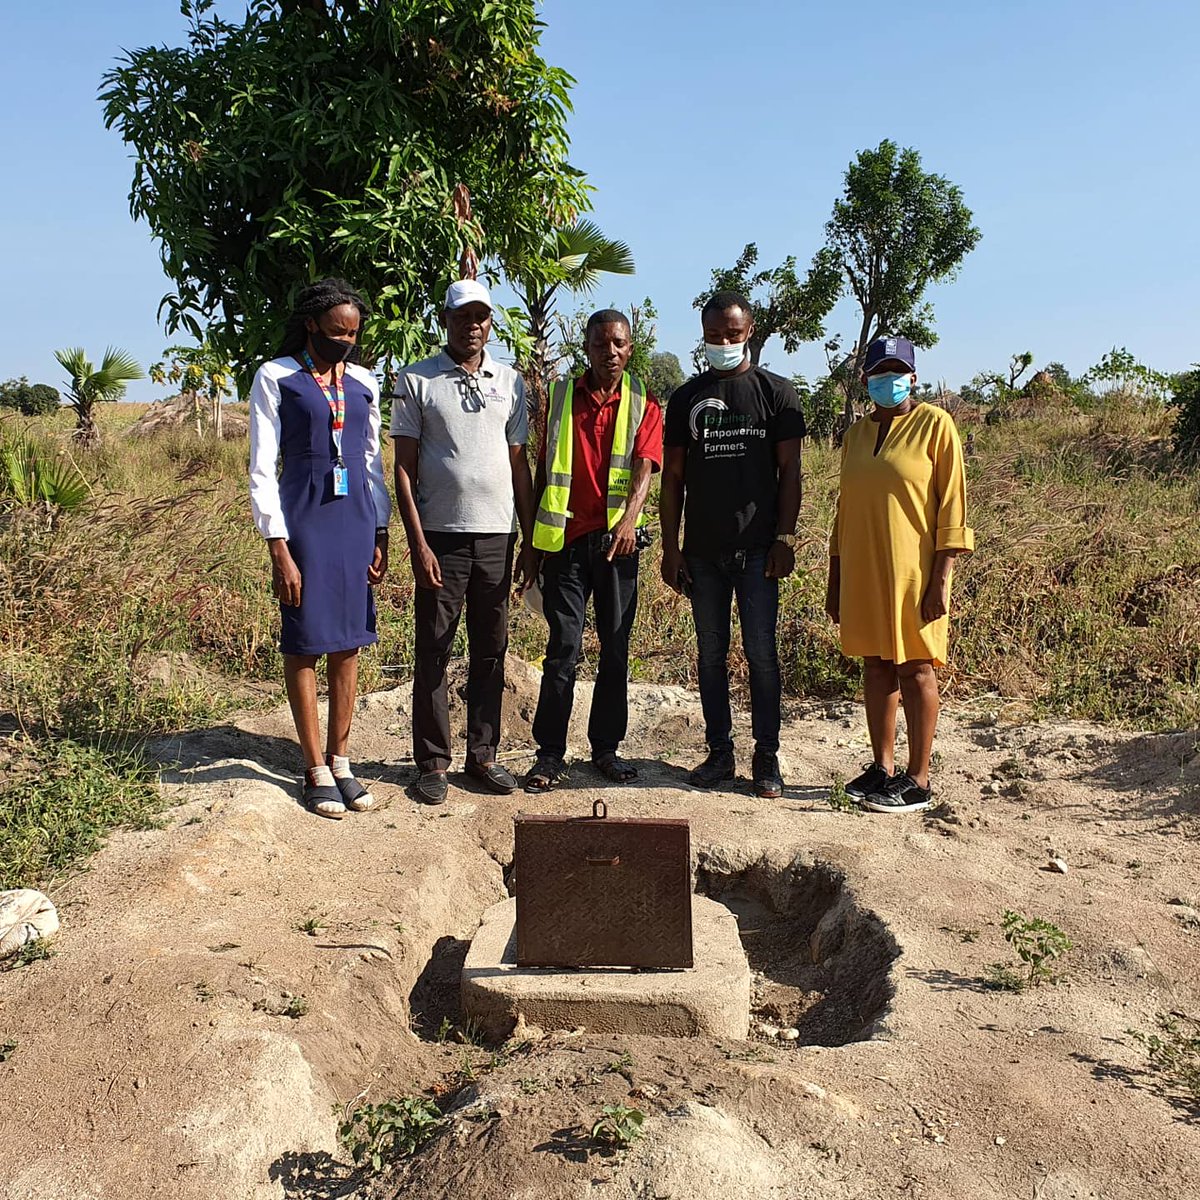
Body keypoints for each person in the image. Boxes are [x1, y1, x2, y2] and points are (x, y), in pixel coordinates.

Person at [249, 278, 391, 820]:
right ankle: (313, 766)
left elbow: (373, 462)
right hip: (304, 520)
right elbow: (262, 469)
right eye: (336, 332)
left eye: (354, 334)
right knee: (306, 639)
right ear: (311, 325)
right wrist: (277, 547)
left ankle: (343, 759)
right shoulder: (277, 377)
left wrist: (381, 530)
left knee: (349, 639)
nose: (346, 343)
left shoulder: (363, 382)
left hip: (354, 519)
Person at [392, 280, 536, 806]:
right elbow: (403, 471)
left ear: (490, 323)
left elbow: (519, 465)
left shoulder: (511, 381)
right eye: (461, 316)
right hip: (441, 539)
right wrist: (418, 544)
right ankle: (432, 762)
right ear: (446, 319)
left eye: (481, 317)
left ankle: (484, 757)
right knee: (433, 647)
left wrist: (531, 538)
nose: (471, 325)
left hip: (498, 536)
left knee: (491, 651)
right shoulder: (416, 380)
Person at [660, 291, 803, 799]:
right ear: (703, 336)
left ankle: (767, 757)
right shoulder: (685, 399)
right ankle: (719, 753)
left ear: (751, 331)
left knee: (763, 655)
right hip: (702, 552)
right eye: (715, 335)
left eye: (733, 334)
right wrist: (671, 549)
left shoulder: (776, 393)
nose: (724, 343)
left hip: (760, 552)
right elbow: (673, 478)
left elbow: (790, 472)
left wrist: (785, 537)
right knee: (710, 654)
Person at [826, 334, 974, 814]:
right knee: (875, 663)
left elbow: (952, 508)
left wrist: (941, 579)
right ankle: (882, 767)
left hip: (914, 573)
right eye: (878, 372)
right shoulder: (855, 436)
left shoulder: (936, 426)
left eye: (897, 371)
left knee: (916, 667)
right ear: (866, 378)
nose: (887, 380)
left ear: (912, 375)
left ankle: (919, 777)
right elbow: (843, 511)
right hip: (863, 568)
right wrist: (836, 576)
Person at [522, 309, 663, 791]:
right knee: (562, 649)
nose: (611, 353)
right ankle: (549, 753)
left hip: (618, 548)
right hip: (565, 543)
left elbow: (646, 467)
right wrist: (533, 545)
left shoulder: (644, 400)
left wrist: (628, 521)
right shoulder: (560, 396)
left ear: (630, 347)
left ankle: (606, 748)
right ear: (587, 347)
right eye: (602, 344)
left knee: (616, 648)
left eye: (620, 344)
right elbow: (546, 468)